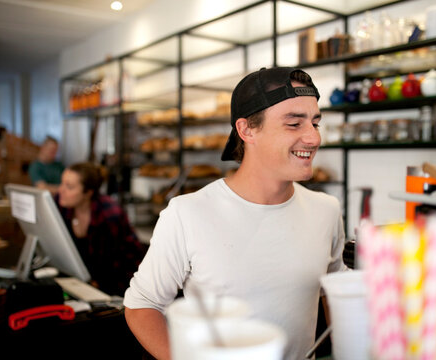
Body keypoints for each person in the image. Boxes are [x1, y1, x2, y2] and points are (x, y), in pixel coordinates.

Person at [123, 67, 345, 359]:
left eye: (315, 123)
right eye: (294, 123)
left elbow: (335, 291)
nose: (313, 138)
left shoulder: (326, 210)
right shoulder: (187, 213)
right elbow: (142, 304)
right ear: (247, 130)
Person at [55, 162, 146, 296]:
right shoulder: (62, 205)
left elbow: (116, 265)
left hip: (119, 287)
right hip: (83, 282)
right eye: (62, 183)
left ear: (88, 193)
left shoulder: (109, 214)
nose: (61, 190)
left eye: (69, 186)